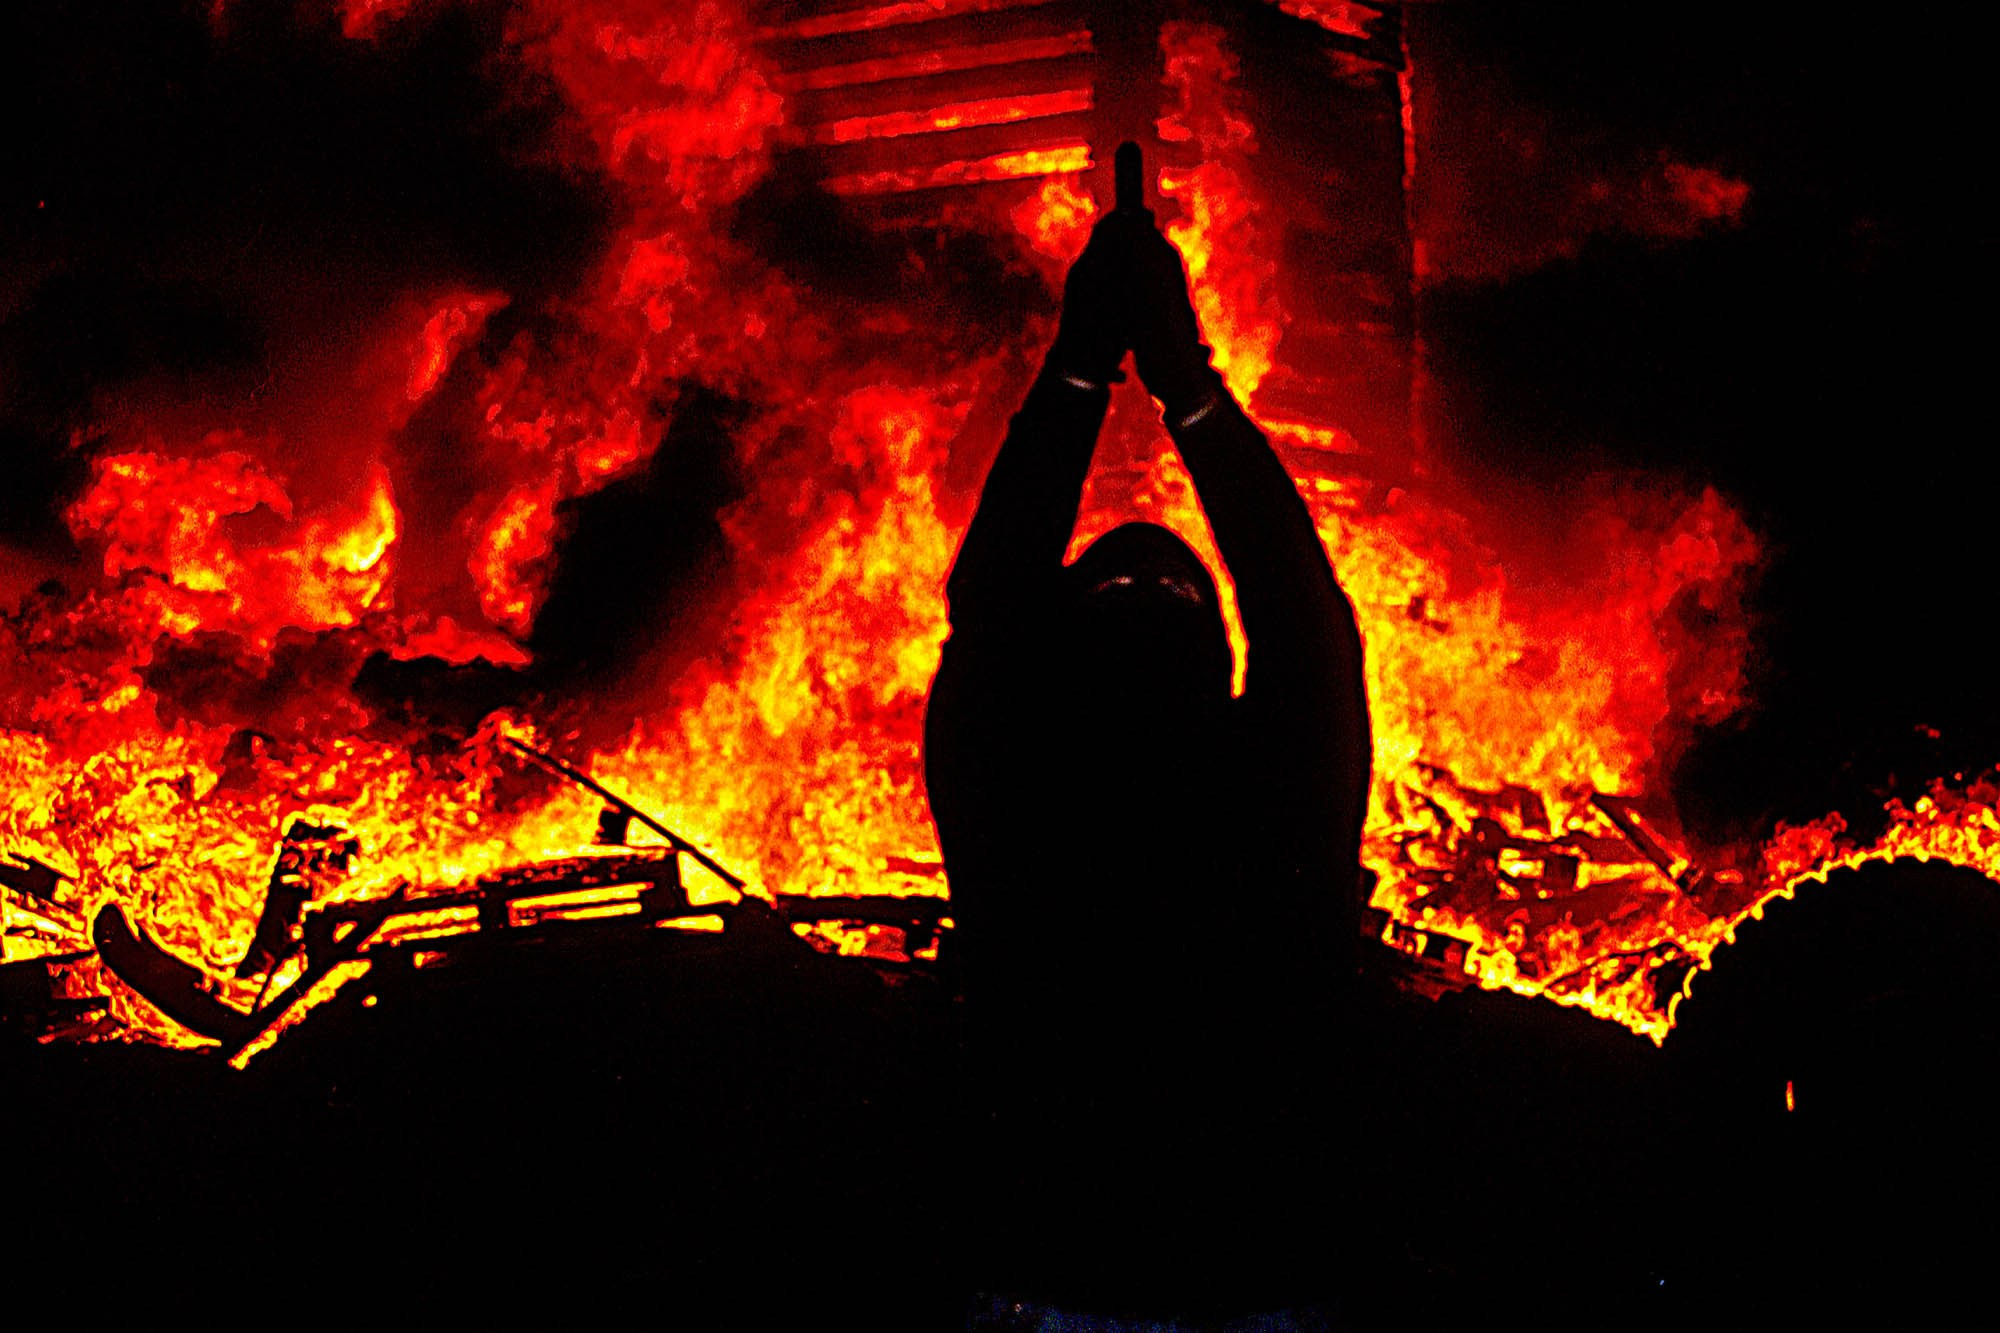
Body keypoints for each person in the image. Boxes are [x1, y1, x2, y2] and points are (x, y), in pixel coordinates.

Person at [924, 146, 1372, 1322]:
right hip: (1244, 1286)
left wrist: (1087, 366)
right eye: (1124, 593)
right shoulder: (1269, 805)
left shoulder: (1017, 814)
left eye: (1157, 594)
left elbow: (997, 611)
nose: (1138, 600)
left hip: (1073, 1285)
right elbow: (1295, 607)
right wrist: (1181, 383)